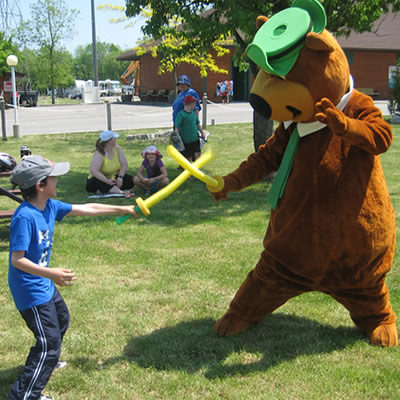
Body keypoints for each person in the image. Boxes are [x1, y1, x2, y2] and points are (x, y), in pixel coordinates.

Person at [8, 155, 137, 400]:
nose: (58, 181)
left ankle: (48, 359)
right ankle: (25, 395)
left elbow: (86, 208)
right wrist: (52, 273)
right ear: (40, 186)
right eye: (54, 178)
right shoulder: (25, 217)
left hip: (42, 283)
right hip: (30, 289)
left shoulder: (49, 206)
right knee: (49, 341)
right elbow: (18, 260)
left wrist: (122, 208)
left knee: (61, 319)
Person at [86, 130, 135, 196]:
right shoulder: (99, 153)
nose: (116, 139)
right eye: (114, 138)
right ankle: (121, 192)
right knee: (100, 182)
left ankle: (107, 190)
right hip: (100, 179)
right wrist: (106, 180)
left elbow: (124, 164)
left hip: (114, 177)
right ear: (109, 141)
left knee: (130, 180)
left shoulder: (117, 148)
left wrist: (120, 177)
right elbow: (93, 170)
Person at [175, 95, 206, 161]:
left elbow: (197, 123)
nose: (195, 104)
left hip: (195, 138)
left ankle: (198, 168)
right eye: (194, 103)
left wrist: (202, 132)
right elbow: (177, 127)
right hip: (186, 140)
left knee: (198, 154)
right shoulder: (181, 114)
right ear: (190, 103)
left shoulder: (193, 113)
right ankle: (189, 169)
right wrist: (177, 137)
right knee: (188, 156)